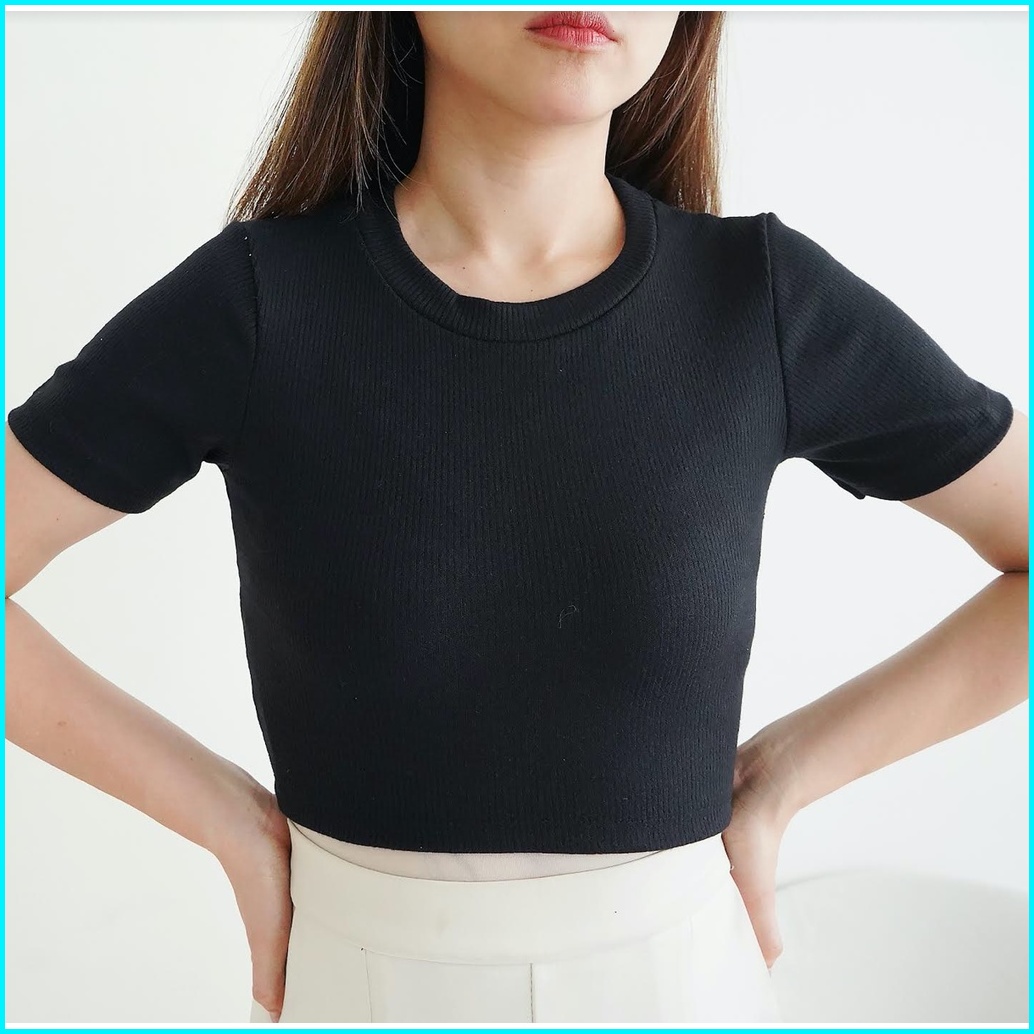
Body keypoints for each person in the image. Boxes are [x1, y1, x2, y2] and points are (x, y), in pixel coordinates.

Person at [5, 9, 1027, 1025]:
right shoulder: (261, 300)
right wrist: (223, 817)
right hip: (362, 986)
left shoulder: (758, 300)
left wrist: (786, 774)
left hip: (679, 984)